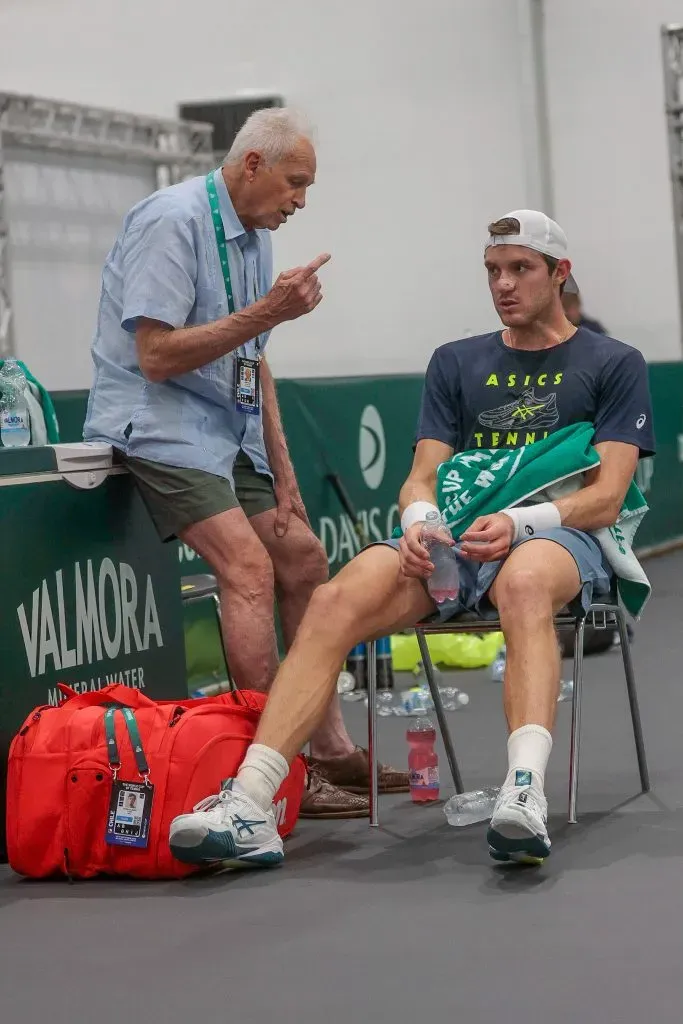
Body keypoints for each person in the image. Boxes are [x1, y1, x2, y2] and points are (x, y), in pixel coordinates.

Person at [168, 209, 655, 870]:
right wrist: (418, 521)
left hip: (559, 539)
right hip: (455, 546)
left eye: (520, 270)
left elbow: (607, 492)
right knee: (334, 600)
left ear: (558, 273)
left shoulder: (612, 362)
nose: (503, 285)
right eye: (492, 272)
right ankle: (251, 803)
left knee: (525, 579)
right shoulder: (455, 362)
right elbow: (420, 476)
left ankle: (522, 793)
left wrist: (519, 523)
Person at [83, 107, 408, 818]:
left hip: (226, 431)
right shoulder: (170, 220)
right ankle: (271, 769)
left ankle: (326, 749)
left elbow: (253, 363)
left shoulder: (256, 235)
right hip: (157, 424)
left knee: (304, 561)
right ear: (251, 166)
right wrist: (271, 312)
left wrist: (282, 472)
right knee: (249, 568)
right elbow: (157, 356)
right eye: (295, 184)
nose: (300, 201)